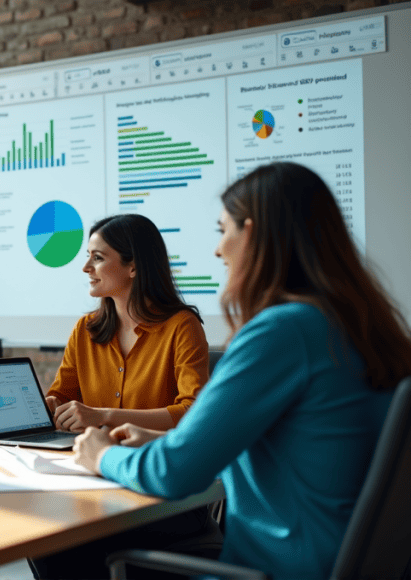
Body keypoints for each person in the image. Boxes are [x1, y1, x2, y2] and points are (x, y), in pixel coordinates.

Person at [75, 162, 411, 578]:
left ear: (250, 233)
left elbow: (173, 474)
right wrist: (161, 439)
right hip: (342, 561)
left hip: (276, 567)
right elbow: (295, 449)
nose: (219, 250)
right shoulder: (360, 325)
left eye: (222, 231)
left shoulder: (282, 331)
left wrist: (102, 455)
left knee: (75, 555)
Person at [45, 213, 209, 433]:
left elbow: (194, 411)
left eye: (98, 258)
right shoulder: (85, 329)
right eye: (88, 256)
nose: (86, 267)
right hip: (86, 454)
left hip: (151, 457)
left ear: (133, 267)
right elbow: (62, 396)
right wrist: (52, 405)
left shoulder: (182, 326)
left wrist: (103, 416)